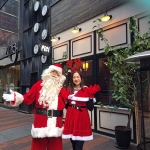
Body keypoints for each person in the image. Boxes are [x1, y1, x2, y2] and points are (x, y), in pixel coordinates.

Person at [2, 63, 68, 150]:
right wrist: (16, 97)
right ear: (48, 72)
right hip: (41, 121)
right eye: (53, 72)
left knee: (55, 147)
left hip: (56, 124)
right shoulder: (38, 85)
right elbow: (28, 97)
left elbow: (69, 101)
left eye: (57, 73)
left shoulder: (61, 89)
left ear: (60, 76)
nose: (54, 74)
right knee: (38, 147)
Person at [62, 60, 100, 150]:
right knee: (73, 141)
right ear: (72, 79)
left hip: (81, 117)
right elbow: (65, 106)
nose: (76, 79)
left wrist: (91, 97)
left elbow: (90, 108)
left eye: (77, 77)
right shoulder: (69, 90)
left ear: (81, 78)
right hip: (71, 116)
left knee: (79, 145)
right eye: (74, 77)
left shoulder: (86, 90)